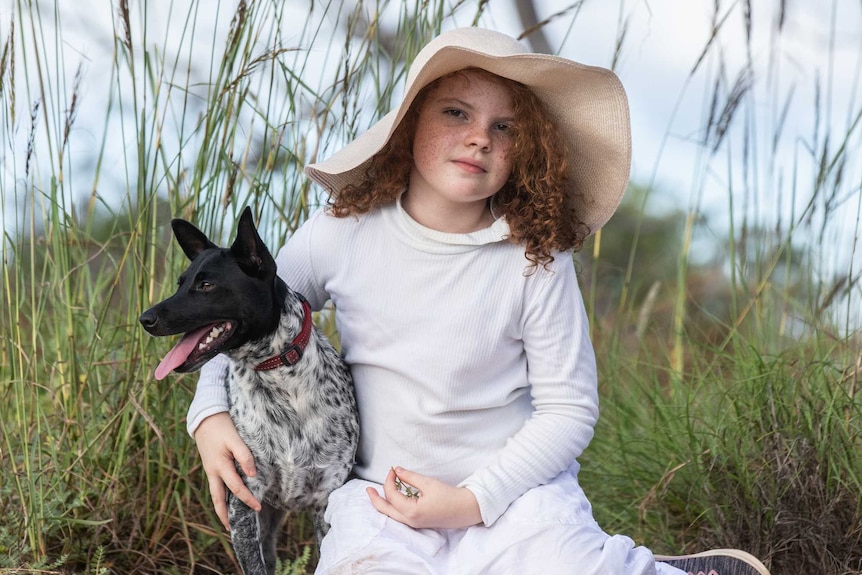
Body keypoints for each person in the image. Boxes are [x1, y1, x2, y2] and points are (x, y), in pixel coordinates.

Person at [187, 27, 771, 575]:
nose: (479, 138)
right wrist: (210, 415)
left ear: (528, 150)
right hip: (382, 496)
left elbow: (568, 411)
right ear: (410, 123)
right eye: (457, 113)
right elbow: (240, 315)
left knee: (563, 561)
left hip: (512, 495)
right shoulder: (343, 232)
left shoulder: (534, 258)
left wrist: (471, 500)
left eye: (506, 128)